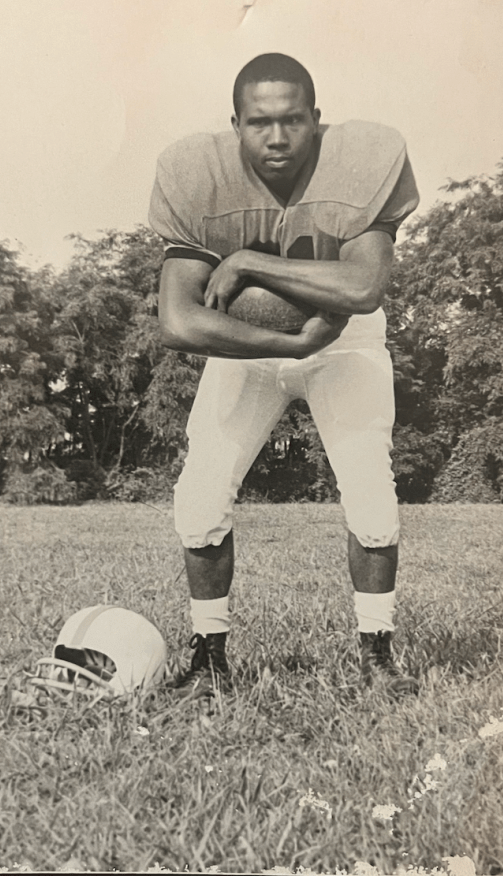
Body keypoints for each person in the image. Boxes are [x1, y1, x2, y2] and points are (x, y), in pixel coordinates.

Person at [148, 53, 420, 698]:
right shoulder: (195, 174)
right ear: (235, 124)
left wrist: (249, 262)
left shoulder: (363, 158)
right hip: (251, 345)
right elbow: (179, 320)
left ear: (316, 120)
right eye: (259, 122)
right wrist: (284, 342)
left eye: (293, 120)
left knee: (371, 497)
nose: (277, 138)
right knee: (200, 495)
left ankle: (377, 654)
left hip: (342, 335)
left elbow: (364, 285)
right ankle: (208, 659)